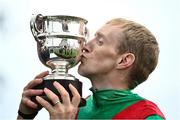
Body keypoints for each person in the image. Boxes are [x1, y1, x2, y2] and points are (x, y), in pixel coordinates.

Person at [17, 18, 165, 119]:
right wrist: (25, 115)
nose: (85, 46)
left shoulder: (147, 116)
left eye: (100, 42)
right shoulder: (75, 108)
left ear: (124, 60)